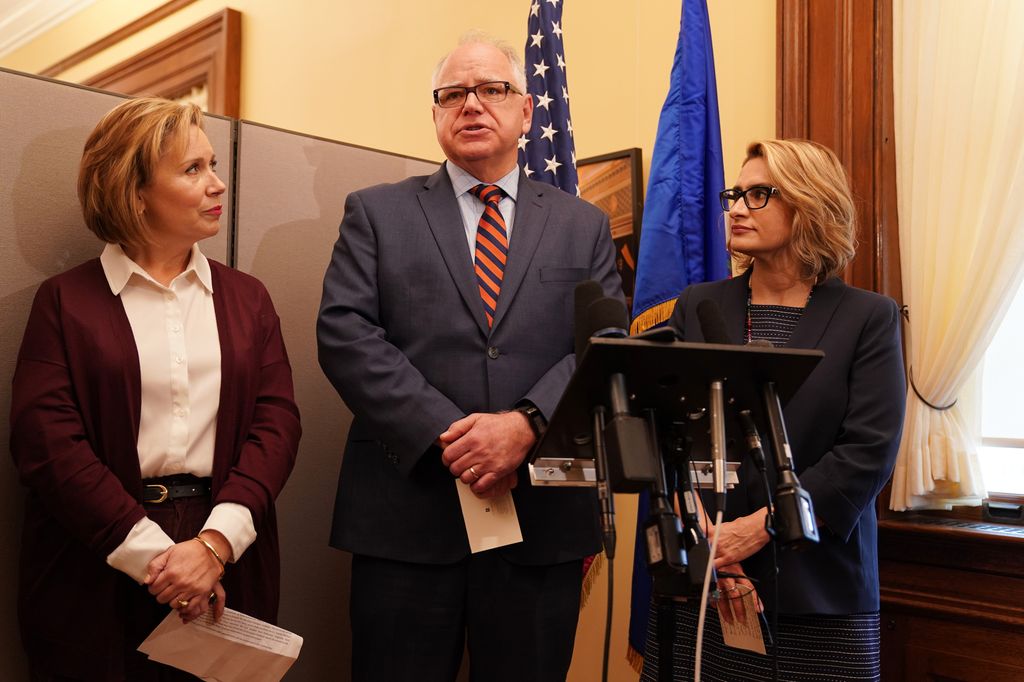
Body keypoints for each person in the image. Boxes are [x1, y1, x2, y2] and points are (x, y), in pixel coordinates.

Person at [317, 33, 621, 682]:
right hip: (405, 520)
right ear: (435, 114)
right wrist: (449, 438)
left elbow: (599, 344)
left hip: (538, 526)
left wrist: (525, 424)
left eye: (492, 89)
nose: (471, 105)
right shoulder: (375, 213)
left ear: (526, 112)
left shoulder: (583, 224)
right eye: (452, 94)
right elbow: (345, 334)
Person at [9, 97, 301, 681]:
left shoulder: (248, 299)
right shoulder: (65, 302)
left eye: (214, 164)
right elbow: (46, 442)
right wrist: (157, 561)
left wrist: (214, 546)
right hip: (95, 557)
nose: (218, 184)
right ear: (134, 190)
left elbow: (277, 424)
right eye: (193, 170)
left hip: (226, 552)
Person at [641, 139, 906, 681]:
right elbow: (666, 436)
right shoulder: (700, 305)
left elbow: (867, 453)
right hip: (710, 581)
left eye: (758, 193)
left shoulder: (868, 318)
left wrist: (758, 528)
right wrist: (719, 546)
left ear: (810, 203)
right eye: (735, 194)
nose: (736, 207)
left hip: (819, 591)